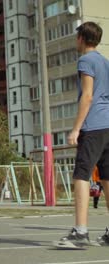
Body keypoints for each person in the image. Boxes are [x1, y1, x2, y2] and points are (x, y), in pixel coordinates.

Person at [54, 22, 109, 248]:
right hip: (108, 126)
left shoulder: (85, 60)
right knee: (106, 179)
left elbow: (87, 96)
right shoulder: (106, 62)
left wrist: (76, 128)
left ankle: (80, 232)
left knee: (81, 175)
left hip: (93, 126)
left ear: (81, 38)